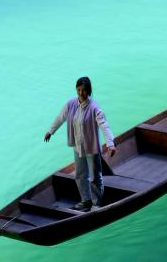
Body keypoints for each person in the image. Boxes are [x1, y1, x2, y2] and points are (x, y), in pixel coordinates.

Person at [44, 77, 116, 211]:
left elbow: (104, 125)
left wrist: (110, 142)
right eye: (79, 90)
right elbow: (61, 117)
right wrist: (50, 131)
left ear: (89, 91)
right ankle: (86, 200)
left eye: (84, 90)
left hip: (91, 147)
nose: (81, 93)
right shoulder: (70, 104)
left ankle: (96, 203)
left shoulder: (95, 108)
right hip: (78, 147)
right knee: (80, 174)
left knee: (95, 176)